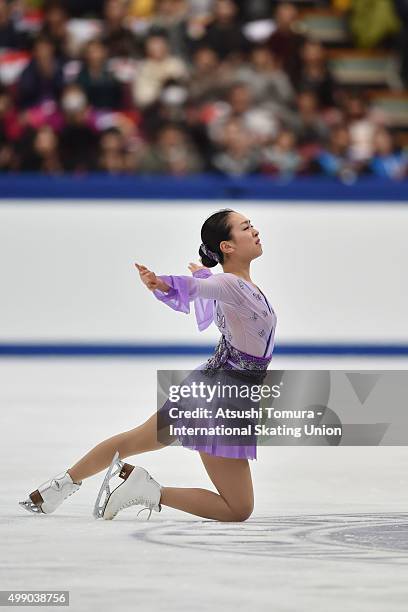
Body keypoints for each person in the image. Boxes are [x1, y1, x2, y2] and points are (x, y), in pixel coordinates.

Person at [19, 209, 277, 523]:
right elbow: (197, 288)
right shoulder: (230, 285)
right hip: (222, 396)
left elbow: (208, 286)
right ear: (227, 246)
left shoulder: (232, 285)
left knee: (135, 440)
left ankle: (58, 486)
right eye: (246, 227)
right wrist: (163, 283)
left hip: (211, 385)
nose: (255, 231)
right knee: (237, 508)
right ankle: (145, 489)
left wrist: (200, 276)